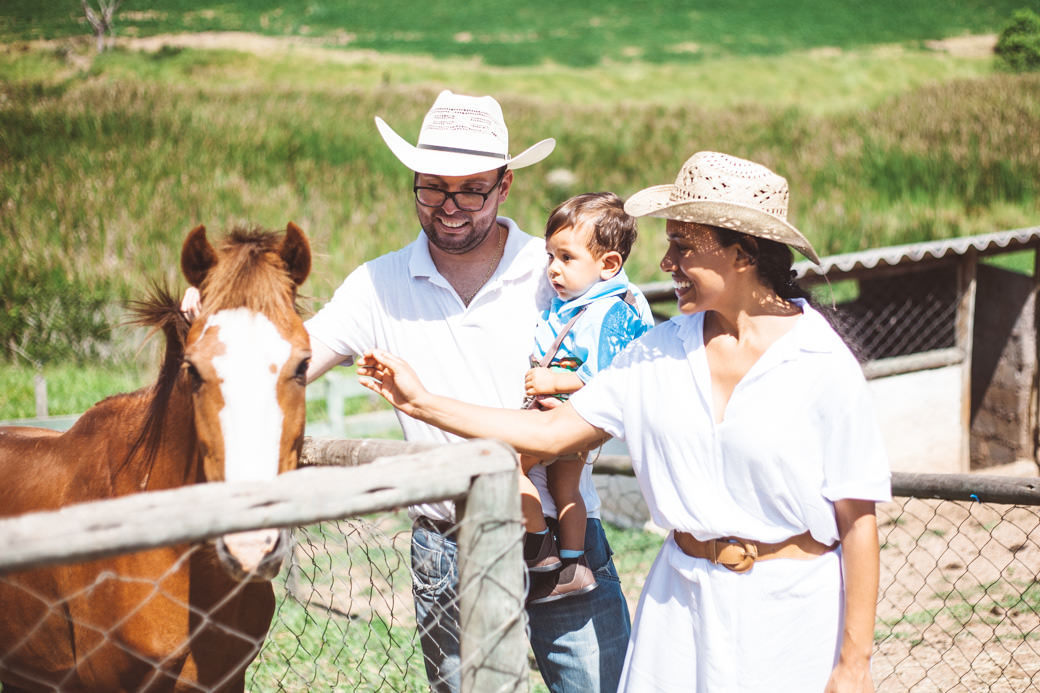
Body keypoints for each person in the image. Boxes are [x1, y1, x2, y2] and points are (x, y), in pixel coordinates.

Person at [357, 151, 892, 692]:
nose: (665, 262)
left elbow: (857, 522)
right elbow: (551, 433)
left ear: (741, 253)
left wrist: (854, 663)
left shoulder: (820, 362)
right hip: (679, 611)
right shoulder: (658, 351)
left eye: (682, 246)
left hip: (792, 617)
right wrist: (421, 402)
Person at [290, 91, 630, 692]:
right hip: (449, 542)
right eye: (432, 188)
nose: (449, 207)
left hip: (565, 531)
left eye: (471, 190)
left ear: (505, 185)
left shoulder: (556, 266)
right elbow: (291, 361)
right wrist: (216, 320)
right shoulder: (377, 284)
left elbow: (621, 362)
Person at [519, 192, 655, 605]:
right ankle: (573, 566)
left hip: (563, 417)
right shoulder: (588, 302)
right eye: (550, 256)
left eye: (566, 257)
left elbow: (606, 377)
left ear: (608, 264)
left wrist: (552, 381)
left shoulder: (604, 313)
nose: (553, 269)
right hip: (572, 420)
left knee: (506, 468)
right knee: (565, 489)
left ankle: (539, 548)